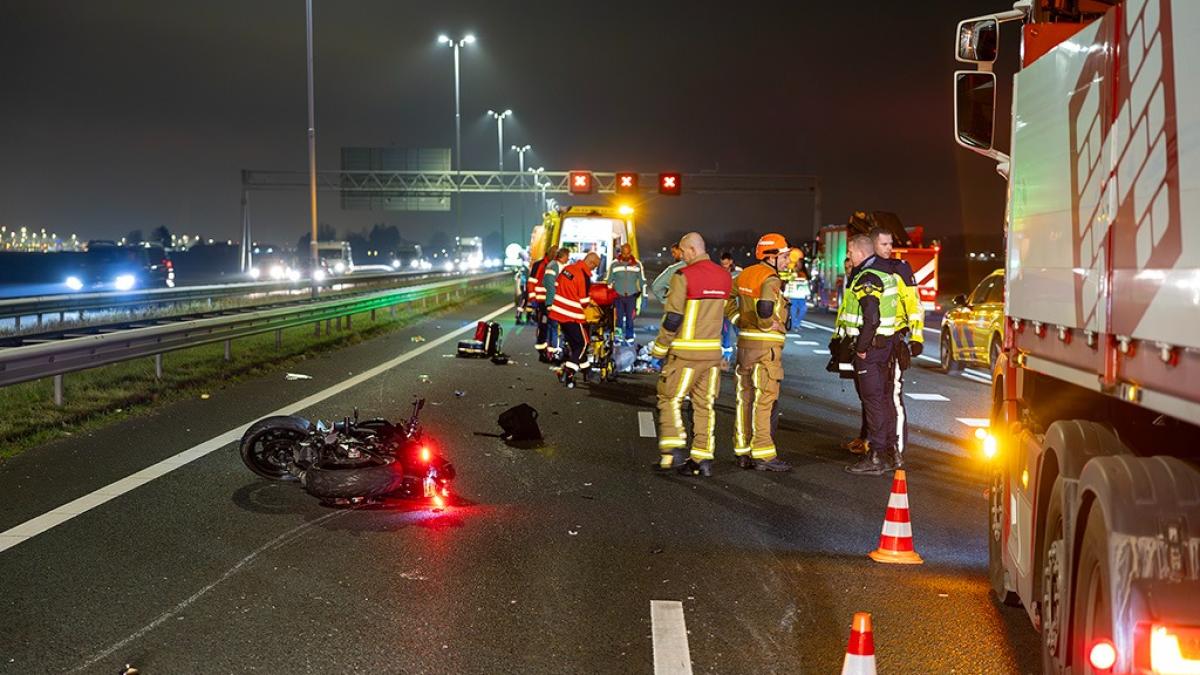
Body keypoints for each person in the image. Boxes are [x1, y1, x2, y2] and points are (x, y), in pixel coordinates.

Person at [649, 233, 731, 476]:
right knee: (704, 406)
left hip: (685, 353)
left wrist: (660, 347)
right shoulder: (723, 276)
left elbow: (673, 317)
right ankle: (702, 460)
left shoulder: (684, 276)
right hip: (712, 354)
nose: (682, 257)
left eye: (684, 252)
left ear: (692, 250)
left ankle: (673, 449)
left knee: (669, 399)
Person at [844, 227, 925, 462]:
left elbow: (913, 305)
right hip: (874, 339)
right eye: (884, 245)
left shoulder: (896, 270)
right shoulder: (867, 271)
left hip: (888, 340)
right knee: (871, 396)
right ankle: (870, 440)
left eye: (891, 244)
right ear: (872, 246)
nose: (890, 248)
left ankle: (894, 449)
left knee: (889, 396)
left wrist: (917, 338)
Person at [837, 234, 904, 475]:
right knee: (884, 400)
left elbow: (871, 317)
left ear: (860, 253)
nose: (849, 257)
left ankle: (876, 456)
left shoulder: (867, 277)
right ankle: (890, 452)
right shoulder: (886, 274)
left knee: (873, 401)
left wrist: (862, 348)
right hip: (885, 347)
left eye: (850, 253)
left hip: (872, 349)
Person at [727, 233, 794, 472]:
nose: (788, 261)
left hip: (746, 345)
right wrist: (768, 324)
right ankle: (764, 455)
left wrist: (741, 320)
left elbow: (729, 299)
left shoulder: (745, 274)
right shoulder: (771, 278)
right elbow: (766, 308)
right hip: (767, 349)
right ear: (772, 256)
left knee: (744, 399)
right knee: (764, 401)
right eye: (785, 256)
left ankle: (743, 451)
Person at [549, 252, 600, 387]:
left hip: (559, 313)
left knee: (575, 344)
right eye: (595, 267)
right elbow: (583, 301)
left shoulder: (568, 269)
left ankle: (587, 371)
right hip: (572, 315)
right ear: (591, 263)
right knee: (583, 343)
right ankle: (568, 371)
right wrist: (591, 300)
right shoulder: (584, 276)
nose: (594, 270)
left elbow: (556, 284)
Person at [607, 243, 644, 343]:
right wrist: (609, 293)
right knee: (618, 319)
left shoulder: (637, 264)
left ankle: (629, 338)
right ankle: (618, 338)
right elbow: (609, 280)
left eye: (628, 253)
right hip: (618, 296)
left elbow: (642, 281)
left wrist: (644, 297)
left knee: (630, 319)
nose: (626, 256)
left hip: (631, 296)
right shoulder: (614, 264)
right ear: (621, 253)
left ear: (630, 252)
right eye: (624, 253)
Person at [542, 247, 571, 360]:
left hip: (557, 302)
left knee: (553, 328)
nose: (568, 258)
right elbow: (549, 284)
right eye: (567, 256)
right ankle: (555, 352)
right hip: (554, 303)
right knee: (555, 328)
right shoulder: (553, 266)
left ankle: (553, 351)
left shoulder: (560, 266)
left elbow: (570, 277)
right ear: (563, 256)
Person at [719, 251, 742, 368]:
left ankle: (741, 358)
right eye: (723, 264)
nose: (725, 266)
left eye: (727, 264)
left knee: (740, 333)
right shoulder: (718, 273)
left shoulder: (739, 272)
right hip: (724, 309)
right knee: (725, 334)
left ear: (731, 262)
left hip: (737, 308)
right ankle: (726, 358)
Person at [529, 250, 554, 360]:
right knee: (543, 326)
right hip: (541, 302)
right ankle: (541, 351)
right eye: (554, 253)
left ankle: (551, 352)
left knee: (552, 326)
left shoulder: (554, 265)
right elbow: (531, 282)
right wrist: (533, 300)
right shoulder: (539, 265)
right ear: (548, 254)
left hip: (552, 301)